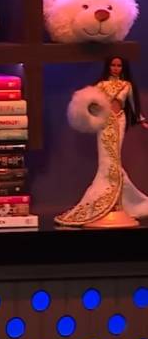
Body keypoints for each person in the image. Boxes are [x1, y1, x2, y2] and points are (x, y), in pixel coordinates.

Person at [55, 56, 148, 227]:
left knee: (115, 159)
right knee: (107, 162)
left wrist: (141, 120)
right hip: (105, 122)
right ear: (108, 66)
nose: (116, 68)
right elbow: (92, 103)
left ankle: (118, 202)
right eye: (113, 65)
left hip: (120, 121)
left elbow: (133, 107)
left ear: (123, 67)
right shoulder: (101, 85)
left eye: (119, 65)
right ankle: (111, 201)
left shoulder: (127, 86)